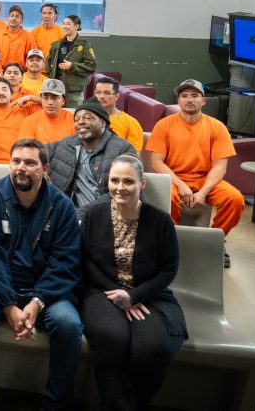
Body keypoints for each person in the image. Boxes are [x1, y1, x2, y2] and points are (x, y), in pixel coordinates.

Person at [0, 139, 82, 411]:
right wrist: (9, 305)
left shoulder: (61, 207)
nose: (21, 168)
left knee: (68, 324)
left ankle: (55, 403)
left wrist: (36, 302)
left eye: (30, 162)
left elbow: (65, 262)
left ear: (45, 168)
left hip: (43, 285)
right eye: (16, 161)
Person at [79, 156, 187, 411]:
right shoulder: (94, 214)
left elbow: (169, 269)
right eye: (114, 180)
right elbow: (84, 260)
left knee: (153, 346)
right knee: (111, 337)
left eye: (128, 181)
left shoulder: (160, 221)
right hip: (101, 290)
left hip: (150, 294)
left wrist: (134, 295)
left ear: (142, 183)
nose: (120, 187)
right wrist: (117, 294)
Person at [147, 79, 244, 253]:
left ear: (203, 100)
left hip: (205, 179)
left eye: (194, 95)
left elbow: (220, 167)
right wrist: (180, 185)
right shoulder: (163, 125)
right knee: (168, 199)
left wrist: (204, 191)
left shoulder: (217, 127)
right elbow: (157, 162)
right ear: (178, 101)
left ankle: (215, 240)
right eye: (184, 96)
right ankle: (172, 243)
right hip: (173, 178)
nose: (189, 99)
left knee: (235, 199)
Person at [47, 98, 137, 212]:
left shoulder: (123, 149)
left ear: (103, 123)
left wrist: (79, 215)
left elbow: (124, 192)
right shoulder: (64, 144)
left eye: (87, 118)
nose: (80, 122)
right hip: (67, 215)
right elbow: (32, 153)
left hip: (107, 216)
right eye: (76, 119)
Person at [46, 15, 97, 107]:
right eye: (64, 24)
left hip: (74, 92)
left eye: (68, 24)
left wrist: (72, 66)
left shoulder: (85, 45)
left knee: (72, 118)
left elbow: (92, 66)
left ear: (76, 26)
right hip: (55, 88)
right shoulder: (56, 45)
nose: (65, 26)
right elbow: (48, 65)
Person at [93, 77, 144, 153]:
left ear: (117, 96)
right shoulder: (84, 118)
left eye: (107, 93)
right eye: (98, 92)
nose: (102, 96)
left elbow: (133, 156)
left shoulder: (131, 122)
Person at [19, 79, 76, 144]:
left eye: (55, 98)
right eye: (45, 98)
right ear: (41, 99)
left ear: (63, 101)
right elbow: (25, 149)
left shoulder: (74, 120)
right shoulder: (29, 121)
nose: (50, 102)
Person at [0, 77, 29, 165]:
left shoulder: (23, 108)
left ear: (12, 95)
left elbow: (50, 105)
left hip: (22, 163)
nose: (1, 93)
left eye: (4, 89)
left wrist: (31, 97)